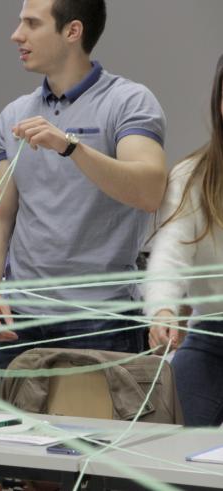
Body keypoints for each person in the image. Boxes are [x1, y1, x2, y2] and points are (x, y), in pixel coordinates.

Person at [0, 0, 167, 369]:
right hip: (24, 322)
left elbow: (148, 191)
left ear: (72, 32)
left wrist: (70, 146)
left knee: (93, 429)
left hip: (100, 319)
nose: (17, 35)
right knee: (19, 429)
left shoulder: (128, 102)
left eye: (32, 23)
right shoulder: (14, 115)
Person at [145, 54, 223, 427]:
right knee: (170, 441)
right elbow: (170, 252)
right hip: (210, 335)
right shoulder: (193, 177)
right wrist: (163, 309)